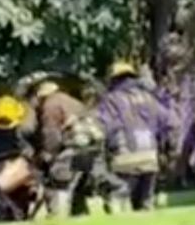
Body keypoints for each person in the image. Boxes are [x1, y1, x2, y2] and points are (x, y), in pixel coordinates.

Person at [30, 81, 129, 217]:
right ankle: (87, 211)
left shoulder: (50, 105)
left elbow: (51, 134)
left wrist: (48, 155)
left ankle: (58, 217)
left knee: (60, 184)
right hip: (92, 147)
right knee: (83, 184)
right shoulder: (74, 102)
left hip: (71, 147)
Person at [98, 61, 174, 211]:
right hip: (150, 156)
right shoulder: (149, 98)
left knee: (121, 199)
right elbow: (169, 122)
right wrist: (167, 148)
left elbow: (105, 126)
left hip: (124, 158)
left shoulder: (112, 100)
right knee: (146, 202)